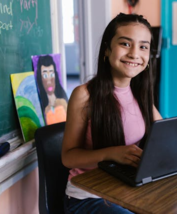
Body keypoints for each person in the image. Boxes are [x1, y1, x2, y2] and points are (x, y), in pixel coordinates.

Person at [62, 13, 162, 214]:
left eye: (143, 46)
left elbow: (165, 136)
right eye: (125, 44)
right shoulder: (84, 95)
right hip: (87, 198)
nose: (135, 54)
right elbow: (68, 157)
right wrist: (111, 154)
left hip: (126, 189)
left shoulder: (141, 92)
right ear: (107, 50)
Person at [36, 55, 68, 125]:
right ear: (40, 78)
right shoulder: (41, 107)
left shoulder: (63, 102)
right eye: (45, 76)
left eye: (51, 74)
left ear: (55, 75)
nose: (49, 81)